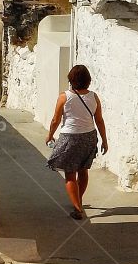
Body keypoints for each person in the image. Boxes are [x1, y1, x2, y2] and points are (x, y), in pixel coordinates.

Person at [46, 64, 108, 220]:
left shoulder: (64, 97)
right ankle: (78, 200)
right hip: (89, 137)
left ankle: (77, 208)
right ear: (88, 80)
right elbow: (99, 120)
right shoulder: (94, 96)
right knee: (83, 171)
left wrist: (50, 135)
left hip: (70, 138)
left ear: (71, 80)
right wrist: (104, 141)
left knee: (70, 174)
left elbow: (55, 120)